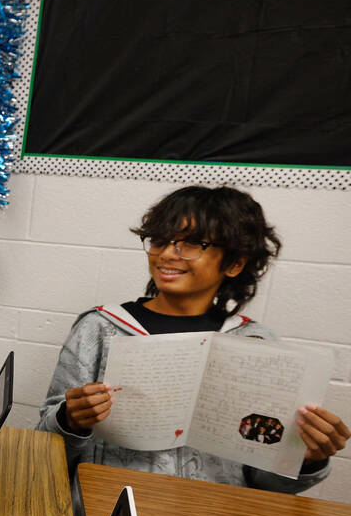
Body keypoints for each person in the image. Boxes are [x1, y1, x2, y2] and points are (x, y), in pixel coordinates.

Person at [37, 185, 347, 492]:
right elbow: (44, 449)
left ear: (235, 263)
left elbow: (263, 483)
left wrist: (307, 460)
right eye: (160, 241)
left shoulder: (256, 344)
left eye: (192, 243)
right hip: (105, 513)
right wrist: (69, 420)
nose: (166, 254)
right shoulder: (99, 329)